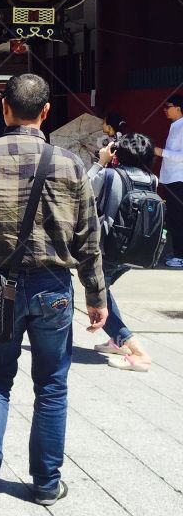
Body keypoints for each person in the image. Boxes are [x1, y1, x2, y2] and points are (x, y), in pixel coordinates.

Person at [0, 73, 106, 516]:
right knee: (52, 386)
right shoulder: (70, 165)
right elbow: (88, 238)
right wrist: (96, 295)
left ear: (3, 109)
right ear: (46, 111)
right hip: (53, 286)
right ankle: (46, 482)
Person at [87, 132, 154, 370]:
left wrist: (100, 161)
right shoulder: (151, 178)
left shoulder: (109, 175)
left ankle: (137, 351)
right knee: (105, 290)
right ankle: (116, 340)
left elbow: (82, 188)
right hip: (137, 251)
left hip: (108, 249)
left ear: (118, 153)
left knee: (99, 297)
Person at [155, 95, 183, 267]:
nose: (165, 109)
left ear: (179, 108)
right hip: (170, 179)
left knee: (178, 219)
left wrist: (160, 151)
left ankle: (180, 256)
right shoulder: (175, 126)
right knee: (173, 219)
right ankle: (178, 251)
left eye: (169, 106)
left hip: (179, 180)